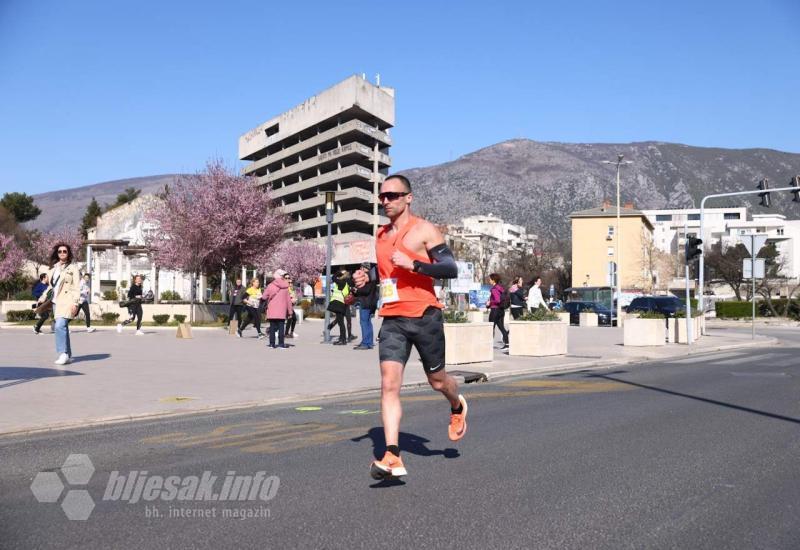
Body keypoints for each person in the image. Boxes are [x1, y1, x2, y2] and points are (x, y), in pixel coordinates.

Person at [353, 174, 466, 480]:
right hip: (393, 318)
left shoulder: (424, 229)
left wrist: (414, 264)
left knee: (438, 382)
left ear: (408, 198)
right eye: (382, 197)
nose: (385, 201)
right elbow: (385, 275)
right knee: (389, 385)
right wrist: (367, 280)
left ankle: (457, 405)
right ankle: (392, 455)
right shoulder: (379, 235)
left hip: (425, 315)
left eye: (392, 195)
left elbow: (450, 268)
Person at [48, 243, 82, 366]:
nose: (62, 253)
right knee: (63, 327)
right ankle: (68, 353)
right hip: (55, 303)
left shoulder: (73, 268)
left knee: (59, 326)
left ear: (68, 253)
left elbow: (76, 287)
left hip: (67, 301)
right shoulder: (53, 269)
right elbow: (51, 288)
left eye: (65, 251)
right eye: (60, 251)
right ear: (57, 253)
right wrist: (41, 299)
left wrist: (75, 303)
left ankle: (62, 353)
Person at [263, 269, 294, 349]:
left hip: (272, 310)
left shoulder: (270, 286)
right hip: (282, 311)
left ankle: (272, 344)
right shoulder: (285, 287)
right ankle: (281, 344)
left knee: (272, 327)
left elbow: (264, 297)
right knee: (281, 328)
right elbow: (288, 301)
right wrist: (290, 312)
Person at [353, 262, 378, 350]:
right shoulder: (373, 277)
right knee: (368, 322)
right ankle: (369, 342)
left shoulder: (366, 277)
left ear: (364, 268)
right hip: (371, 303)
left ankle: (365, 343)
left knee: (364, 322)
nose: (360, 269)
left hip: (365, 303)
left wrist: (356, 290)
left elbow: (365, 290)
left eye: (361, 267)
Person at [326, 270, 351, 345]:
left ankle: (343, 340)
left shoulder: (342, 282)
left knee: (341, 323)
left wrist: (338, 272)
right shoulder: (346, 284)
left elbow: (333, 277)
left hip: (338, 304)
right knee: (340, 322)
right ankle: (342, 339)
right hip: (341, 304)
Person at [486, 273, 509, 349]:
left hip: (495, 310)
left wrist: (490, 303)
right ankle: (507, 343)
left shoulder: (494, 289)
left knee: (490, 327)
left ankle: (488, 344)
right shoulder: (500, 288)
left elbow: (497, 300)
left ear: (493, 280)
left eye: (490, 279)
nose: (489, 280)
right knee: (501, 327)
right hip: (501, 310)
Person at [284, 274, 298, 339]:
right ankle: (286, 333)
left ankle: (291, 332)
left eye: (291, 282)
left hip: (290, 306)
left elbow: (294, 300)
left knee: (294, 318)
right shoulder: (285, 288)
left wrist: (294, 300)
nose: (290, 283)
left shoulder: (292, 290)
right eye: (289, 282)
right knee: (289, 318)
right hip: (285, 306)